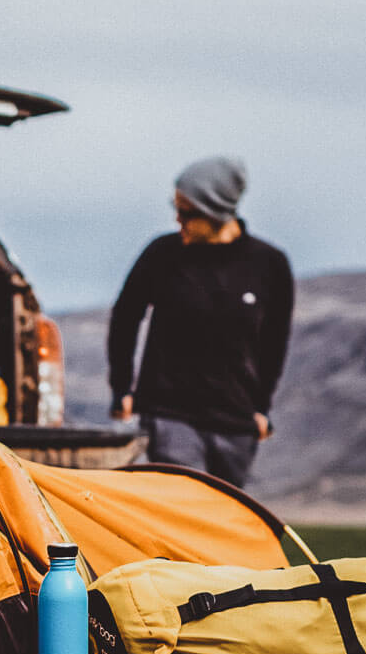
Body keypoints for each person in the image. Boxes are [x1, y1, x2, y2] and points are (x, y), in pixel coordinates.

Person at [108, 156, 293, 487]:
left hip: (235, 421)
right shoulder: (162, 255)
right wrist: (122, 387)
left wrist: (261, 409)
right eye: (176, 209)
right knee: (181, 504)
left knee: (226, 512)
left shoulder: (269, 265)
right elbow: (125, 317)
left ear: (217, 212)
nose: (178, 220)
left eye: (188, 213)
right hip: (169, 416)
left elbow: (274, 343)